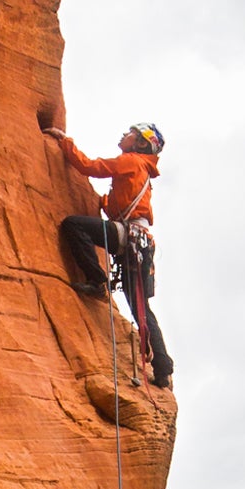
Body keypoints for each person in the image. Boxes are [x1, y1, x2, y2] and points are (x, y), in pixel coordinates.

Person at [47, 122, 174, 387]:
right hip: (140, 244)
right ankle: (163, 369)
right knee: (140, 307)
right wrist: (102, 204)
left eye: (131, 134)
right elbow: (122, 203)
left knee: (73, 225)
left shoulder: (130, 161)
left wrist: (65, 142)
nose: (124, 135)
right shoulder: (142, 169)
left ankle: (98, 281)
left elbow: (90, 167)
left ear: (139, 143)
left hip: (128, 238)